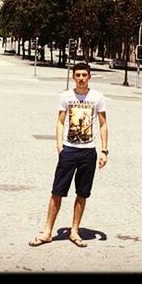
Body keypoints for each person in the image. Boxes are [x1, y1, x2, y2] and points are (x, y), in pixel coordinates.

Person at [29, 62, 108, 249]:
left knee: (82, 193)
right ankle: (47, 232)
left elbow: (104, 124)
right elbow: (60, 121)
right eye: (78, 75)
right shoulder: (66, 96)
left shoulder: (97, 97)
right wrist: (59, 144)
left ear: (89, 77)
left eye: (84, 75)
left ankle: (74, 231)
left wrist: (104, 151)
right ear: (73, 77)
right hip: (69, 150)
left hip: (89, 151)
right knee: (57, 192)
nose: (81, 78)